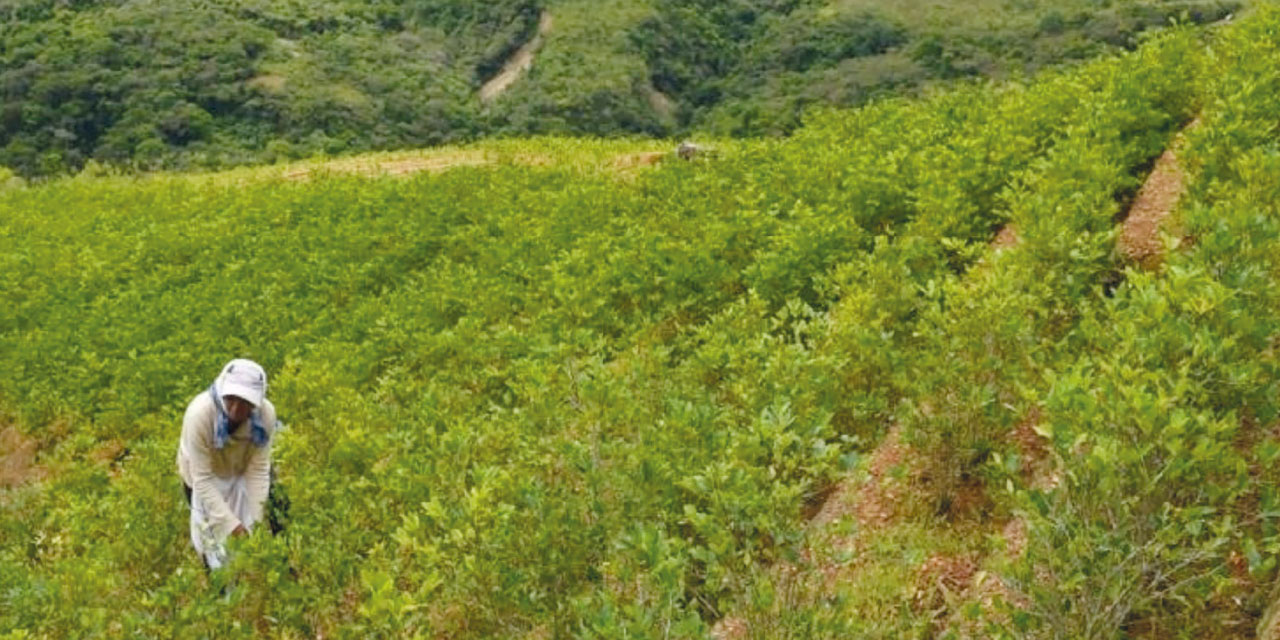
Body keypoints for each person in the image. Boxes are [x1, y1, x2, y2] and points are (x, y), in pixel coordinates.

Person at [176, 359, 278, 569]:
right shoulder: (200, 415)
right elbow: (202, 480)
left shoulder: (265, 415)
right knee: (211, 542)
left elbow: (258, 470)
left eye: (245, 401)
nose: (236, 408)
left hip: (238, 468)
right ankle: (219, 590)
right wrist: (233, 526)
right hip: (202, 475)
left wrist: (256, 524)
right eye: (231, 398)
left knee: (254, 532)